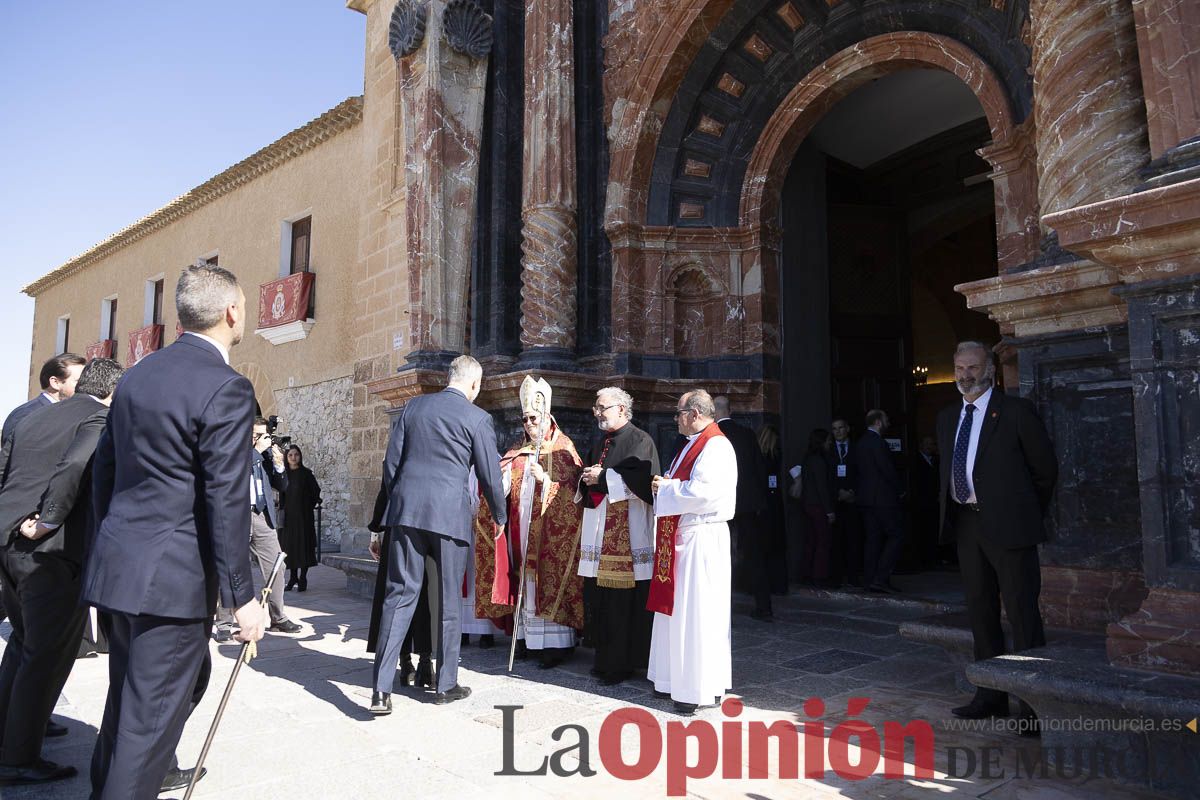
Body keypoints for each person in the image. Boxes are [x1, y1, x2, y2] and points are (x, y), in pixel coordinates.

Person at [82, 263, 268, 799]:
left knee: (125, 711)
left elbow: (105, 474)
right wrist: (244, 597)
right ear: (232, 311)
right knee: (145, 730)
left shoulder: (137, 375)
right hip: (171, 583)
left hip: (122, 569)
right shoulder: (228, 387)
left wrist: (108, 550)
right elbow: (226, 497)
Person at [0, 357, 122, 787]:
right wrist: (50, 518)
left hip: (10, 545)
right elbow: (74, 466)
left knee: (23, 645)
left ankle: (8, 734)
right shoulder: (99, 416)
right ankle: (17, 758)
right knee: (46, 656)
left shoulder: (36, 417)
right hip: (50, 552)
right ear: (113, 390)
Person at [369, 355, 506, 713]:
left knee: (398, 597)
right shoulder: (477, 418)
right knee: (447, 601)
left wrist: (397, 505)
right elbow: (490, 475)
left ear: (449, 377)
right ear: (474, 384)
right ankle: (446, 685)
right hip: (449, 517)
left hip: (406, 514)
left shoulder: (413, 408)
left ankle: (380, 690)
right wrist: (500, 514)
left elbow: (391, 465)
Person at [938, 341, 1057, 723]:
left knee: (1022, 613)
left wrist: (1020, 512)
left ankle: (1032, 707)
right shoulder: (946, 418)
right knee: (980, 612)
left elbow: (1045, 472)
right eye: (959, 368)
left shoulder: (1016, 412)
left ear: (989, 369)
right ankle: (989, 695)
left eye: (972, 367)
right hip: (967, 524)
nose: (965, 375)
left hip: (1010, 525)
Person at [474, 376, 585, 668]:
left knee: (546, 581)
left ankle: (553, 645)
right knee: (525, 583)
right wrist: (501, 479)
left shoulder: (563, 449)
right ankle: (526, 640)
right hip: (520, 530)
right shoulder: (519, 451)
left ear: (547, 416)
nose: (528, 424)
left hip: (550, 533)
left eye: (533, 418)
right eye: (524, 418)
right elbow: (502, 484)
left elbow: (575, 494)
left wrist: (546, 481)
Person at [648, 390, 736, 715]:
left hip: (702, 537)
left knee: (697, 614)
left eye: (679, 413)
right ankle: (672, 680)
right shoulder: (691, 445)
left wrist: (666, 488)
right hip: (684, 536)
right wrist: (667, 484)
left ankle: (696, 688)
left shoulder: (717, 446)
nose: (675, 419)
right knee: (678, 612)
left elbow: (704, 493)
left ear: (695, 413)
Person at [576, 387, 659, 686]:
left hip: (628, 532)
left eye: (602, 407)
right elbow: (594, 476)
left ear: (622, 409)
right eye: (596, 408)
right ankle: (604, 659)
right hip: (601, 530)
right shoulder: (603, 441)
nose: (597, 412)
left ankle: (623, 663)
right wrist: (586, 478)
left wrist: (602, 477)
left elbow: (643, 481)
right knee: (601, 598)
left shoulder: (640, 440)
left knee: (624, 603)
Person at [215, 418, 302, 638]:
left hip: (262, 515)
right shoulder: (233, 450)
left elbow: (281, 485)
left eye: (265, 435)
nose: (262, 439)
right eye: (257, 435)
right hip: (237, 516)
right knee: (230, 567)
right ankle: (224, 623)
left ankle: (278, 617)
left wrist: (280, 465)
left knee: (277, 565)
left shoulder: (263, 456)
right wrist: (255, 453)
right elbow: (229, 473)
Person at [366, 475, 433, 689]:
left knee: (396, 601)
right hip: (428, 535)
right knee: (423, 601)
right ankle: (424, 663)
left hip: (397, 535)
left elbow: (385, 494)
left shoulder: (398, 451)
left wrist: (375, 536)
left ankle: (406, 664)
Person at [713, 396, 770, 620]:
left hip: (719, 504)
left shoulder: (711, 436)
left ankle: (719, 610)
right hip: (747, 504)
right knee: (754, 554)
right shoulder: (747, 434)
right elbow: (760, 469)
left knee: (718, 554)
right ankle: (764, 606)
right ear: (731, 410)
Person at [855, 409, 905, 593]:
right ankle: (881, 577)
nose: (888, 423)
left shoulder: (860, 442)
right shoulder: (877, 443)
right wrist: (900, 490)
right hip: (883, 498)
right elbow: (887, 469)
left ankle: (870, 579)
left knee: (872, 539)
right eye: (886, 420)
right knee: (896, 535)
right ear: (877, 422)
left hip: (866, 499)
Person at [1, 353, 86, 449]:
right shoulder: (25, 415)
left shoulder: (73, 414)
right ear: (55, 383)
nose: (85, 387)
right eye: (79, 381)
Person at [280, 445, 322, 592]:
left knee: (304, 546)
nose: (293, 458)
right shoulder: (283, 474)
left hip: (304, 517)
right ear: (286, 457)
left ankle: (303, 577)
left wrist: (307, 506)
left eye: (296, 454)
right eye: (290, 455)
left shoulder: (306, 474)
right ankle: (292, 578)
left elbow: (315, 491)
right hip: (289, 518)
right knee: (290, 547)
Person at [798, 428, 835, 587]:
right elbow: (822, 487)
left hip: (808, 504)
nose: (830, 443)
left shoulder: (808, 458)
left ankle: (807, 574)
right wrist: (829, 510)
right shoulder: (819, 460)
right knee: (822, 541)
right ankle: (819, 576)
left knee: (811, 540)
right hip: (818, 506)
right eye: (828, 440)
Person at [829, 417, 863, 588]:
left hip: (853, 500)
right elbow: (826, 475)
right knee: (836, 540)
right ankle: (836, 577)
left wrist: (852, 492)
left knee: (853, 539)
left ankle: (853, 576)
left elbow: (862, 472)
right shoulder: (828, 450)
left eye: (841, 428)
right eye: (835, 429)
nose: (838, 431)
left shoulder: (857, 448)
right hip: (835, 502)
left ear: (847, 429)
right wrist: (837, 493)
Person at [756, 424, 789, 595]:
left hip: (764, 505)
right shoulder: (772, 457)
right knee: (774, 543)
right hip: (771, 504)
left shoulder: (762, 456)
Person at [911, 434, 942, 569]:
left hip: (934, 502)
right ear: (921, 445)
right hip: (921, 502)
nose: (930, 447)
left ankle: (933, 560)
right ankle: (923, 561)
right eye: (927, 444)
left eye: (932, 444)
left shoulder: (936, 461)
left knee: (933, 531)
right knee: (922, 532)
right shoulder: (914, 461)